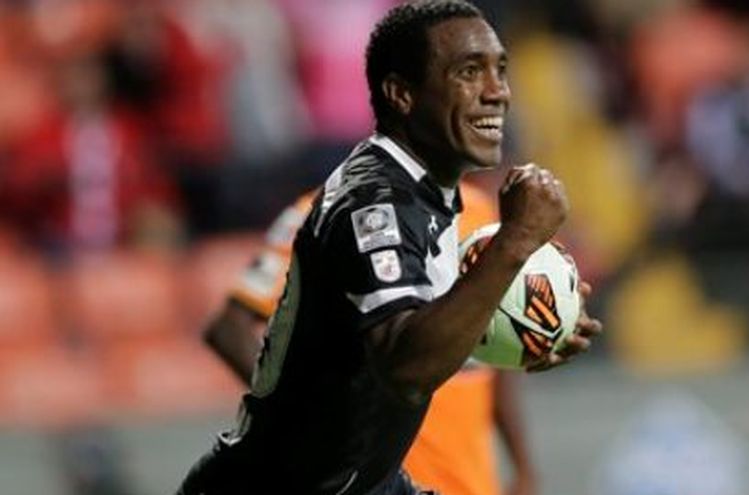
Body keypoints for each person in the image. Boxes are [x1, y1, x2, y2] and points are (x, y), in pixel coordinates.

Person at [177, 1, 601, 494]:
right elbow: (407, 368)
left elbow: (414, 345)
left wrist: (525, 333)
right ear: (402, 94)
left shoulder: (441, 202)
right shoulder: (373, 206)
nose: (497, 92)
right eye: (469, 72)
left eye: (500, 71)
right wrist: (515, 241)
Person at [203, 182, 537, 495]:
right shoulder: (326, 209)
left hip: (470, 482)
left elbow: (491, 347)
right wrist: (309, 420)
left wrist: (521, 465)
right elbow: (230, 329)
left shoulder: (478, 210)